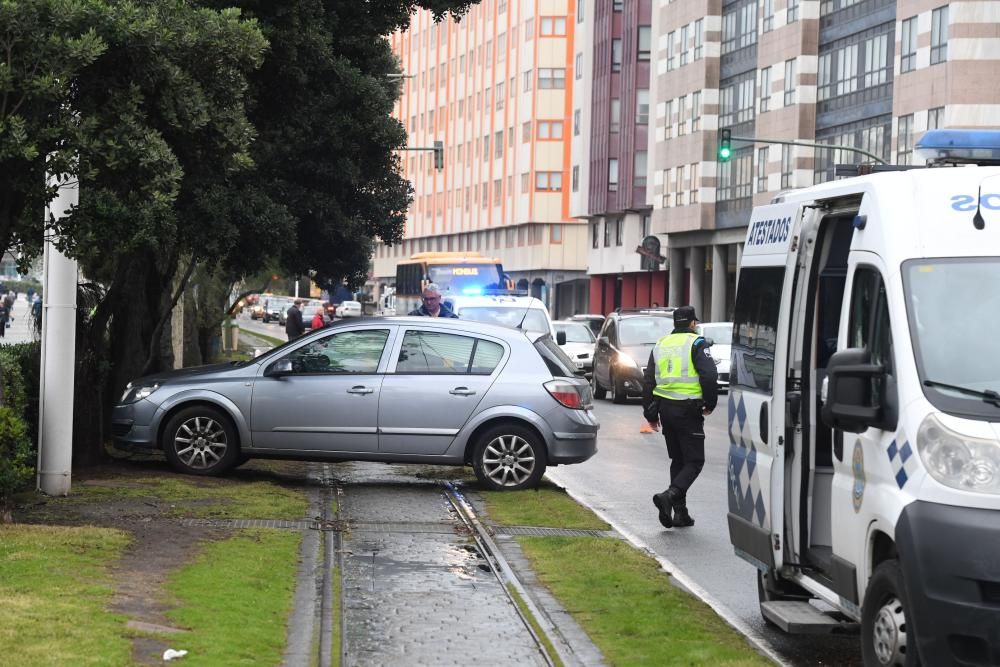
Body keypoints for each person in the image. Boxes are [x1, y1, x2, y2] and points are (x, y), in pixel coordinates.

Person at [642, 305, 718, 529]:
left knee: (679, 460)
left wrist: (650, 413)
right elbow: (709, 374)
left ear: (675, 323)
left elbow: (649, 380)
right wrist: (710, 402)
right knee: (695, 461)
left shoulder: (661, 344)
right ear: (693, 323)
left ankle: (680, 513)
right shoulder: (697, 342)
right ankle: (670, 495)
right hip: (688, 410)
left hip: (666, 409)